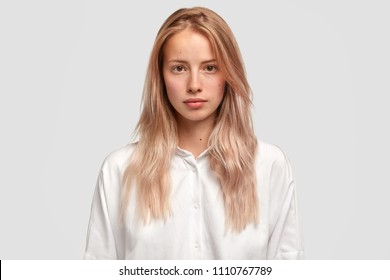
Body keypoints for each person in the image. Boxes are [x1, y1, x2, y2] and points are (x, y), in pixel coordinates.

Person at [84, 7, 303, 260]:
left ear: (229, 75)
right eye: (179, 68)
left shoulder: (268, 166)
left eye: (210, 68)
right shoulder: (120, 170)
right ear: (161, 77)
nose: (194, 85)